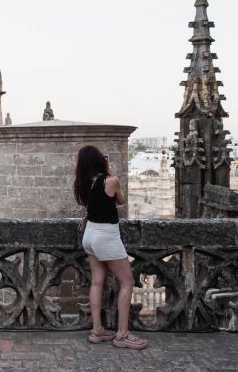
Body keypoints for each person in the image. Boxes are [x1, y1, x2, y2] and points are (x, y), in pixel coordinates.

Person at [73, 145, 148, 350]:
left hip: (89, 235)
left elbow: (94, 206)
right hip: (106, 236)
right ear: (100, 161)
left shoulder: (83, 184)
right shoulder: (110, 181)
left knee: (97, 282)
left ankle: (97, 330)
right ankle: (122, 334)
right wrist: (111, 175)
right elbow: (121, 201)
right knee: (127, 282)